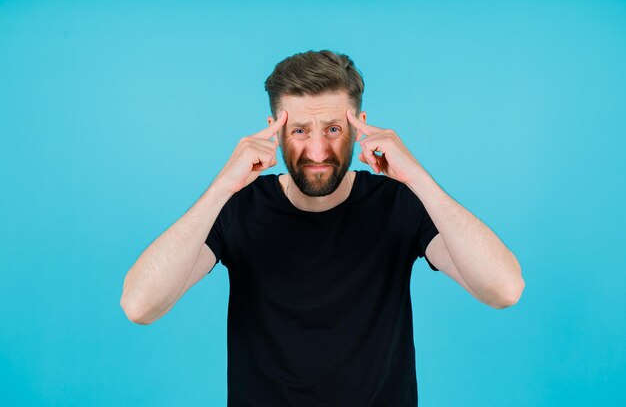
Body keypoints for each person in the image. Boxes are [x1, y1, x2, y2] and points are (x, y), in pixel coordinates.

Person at [121, 50, 525, 406]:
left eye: (333, 128)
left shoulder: (398, 204)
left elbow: (504, 289)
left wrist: (417, 176)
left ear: (359, 125)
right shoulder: (237, 208)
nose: (317, 151)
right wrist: (221, 188)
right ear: (275, 131)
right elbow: (140, 306)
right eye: (299, 131)